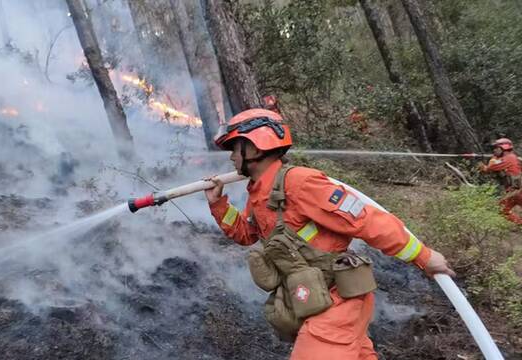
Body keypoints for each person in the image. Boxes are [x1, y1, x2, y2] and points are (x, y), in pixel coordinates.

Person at [205, 108, 454, 360]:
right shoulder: (260, 193)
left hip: (339, 299)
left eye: (235, 148)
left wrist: (424, 256)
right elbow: (246, 234)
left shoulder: (300, 183)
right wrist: (219, 205)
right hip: (314, 299)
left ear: (255, 149)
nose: (232, 157)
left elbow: (367, 220)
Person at [480, 138, 522, 224]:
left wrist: (485, 164)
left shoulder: (509, 158)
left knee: (501, 209)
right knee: (502, 210)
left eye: (496, 148)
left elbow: (491, 168)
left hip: (517, 192)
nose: (494, 150)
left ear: (504, 148)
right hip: (515, 192)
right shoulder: (510, 157)